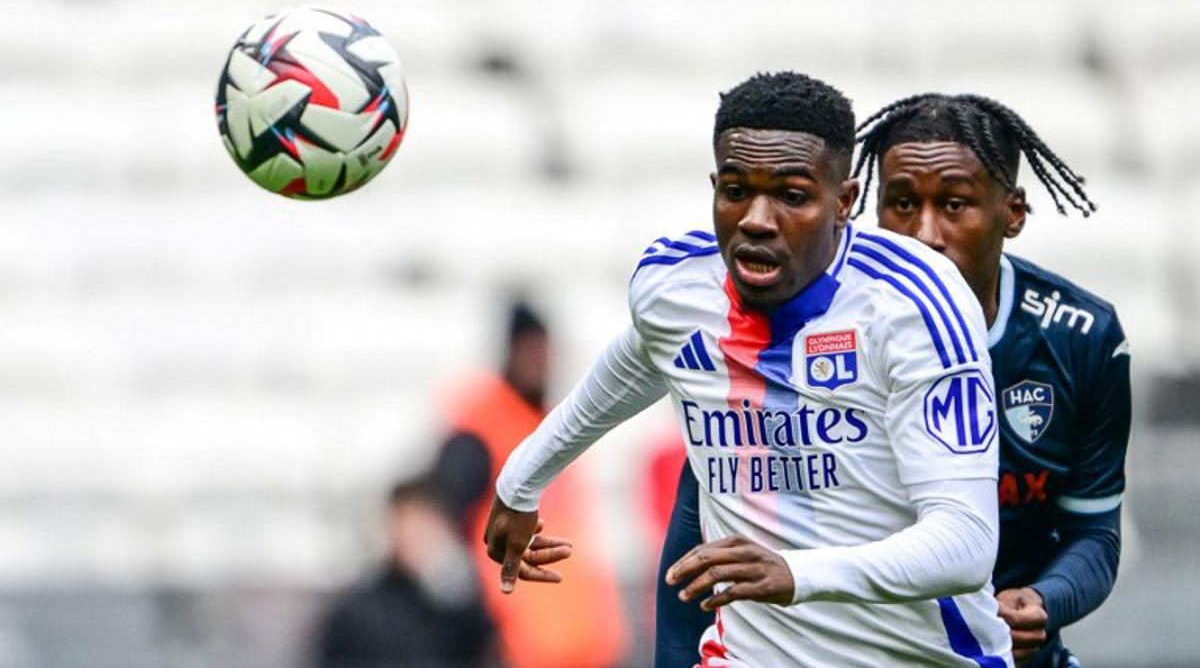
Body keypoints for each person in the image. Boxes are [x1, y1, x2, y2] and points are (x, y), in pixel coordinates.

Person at [484, 72, 1013, 667]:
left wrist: (795, 573)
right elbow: (630, 367)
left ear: (844, 202)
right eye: (736, 190)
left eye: (792, 196)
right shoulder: (676, 287)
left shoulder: (912, 304)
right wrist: (520, 480)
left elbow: (966, 543)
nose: (757, 219)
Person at [654, 92, 1130, 668]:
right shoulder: (798, 322)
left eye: (954, 205)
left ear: (1013, 213)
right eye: (901, 204)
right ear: (860, 207)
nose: (924, 233)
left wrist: (1046, 600)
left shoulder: (1081, 338)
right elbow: (699, 531)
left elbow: (1095, 534)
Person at [436, 301, 630, 668]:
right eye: (531, 351)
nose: (540, 363)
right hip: (520, 641)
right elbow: (449, 526)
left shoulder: (551, 423)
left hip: (581, 638)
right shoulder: (481, 428)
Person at [315, 478, 495, 668]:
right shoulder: (357, 613)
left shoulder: (462, 611)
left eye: (425, 527)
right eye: (408, 524)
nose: (416, 538)